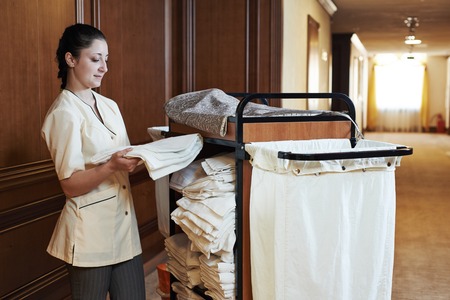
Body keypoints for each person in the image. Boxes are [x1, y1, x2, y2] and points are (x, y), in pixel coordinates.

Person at [41, 23, 146, 299]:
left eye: (106, 60)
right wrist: (111, 166)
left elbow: (123, 157)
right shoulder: (63, 113)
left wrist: (148, 157)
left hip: (124, 228)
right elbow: (70, 185)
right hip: (89, 238)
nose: (104, 67)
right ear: (71, 59)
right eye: (95, 59)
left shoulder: (110, 106)